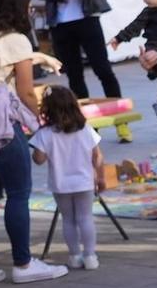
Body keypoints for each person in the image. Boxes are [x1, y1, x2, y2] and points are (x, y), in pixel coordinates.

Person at [0, 0, 62, 284]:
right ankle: (23, 263)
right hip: (1, 127)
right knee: (19, 192)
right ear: (21, 9)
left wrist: (40, 58)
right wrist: (42, 120)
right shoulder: (16, 39)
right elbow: (26, 91)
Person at [29, 0, 124, 100]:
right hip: (59, 21)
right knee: (73, 74)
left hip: (87, 15)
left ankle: (119, 108)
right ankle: (82, 122)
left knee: (102, 69)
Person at [28, 86, 104, 271]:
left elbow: (38, 160)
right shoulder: (85, 129)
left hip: (60, 183)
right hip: (84, 181)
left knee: (68, 219)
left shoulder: (46, 133)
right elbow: (98, 156)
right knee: (85, 218)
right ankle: (90, 256)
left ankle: (74, 256)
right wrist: (100, 177)